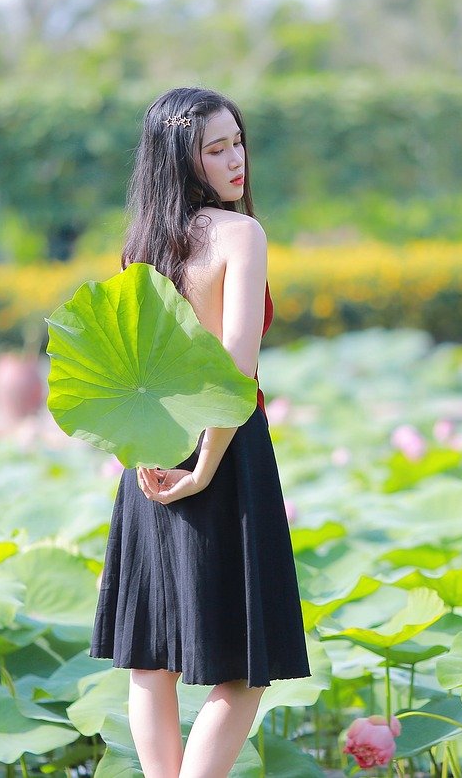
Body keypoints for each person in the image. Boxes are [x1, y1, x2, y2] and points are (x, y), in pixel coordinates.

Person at [89, 87, 311, 777]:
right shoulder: (241, 235)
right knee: (244, 668)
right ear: (181, 161)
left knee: (150, 660)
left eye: (237, 141)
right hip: (226, 447)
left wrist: (148, 454)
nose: (236, 159)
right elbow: (236, 365)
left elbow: (126, 367)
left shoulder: (137, 249)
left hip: (150, 446)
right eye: (216, 149)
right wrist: (208, 464)